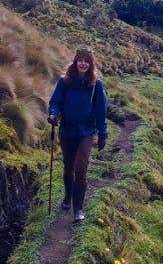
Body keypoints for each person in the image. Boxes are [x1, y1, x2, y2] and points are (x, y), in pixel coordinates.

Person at [47, 47, 108, 223]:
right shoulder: (64, 82)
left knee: (81, 168)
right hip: (66, 130)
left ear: (91, 64)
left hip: (86, 132)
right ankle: (67, 196)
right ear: (75, 62)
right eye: (80, 60)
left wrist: (102, 133)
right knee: (68, 166)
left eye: (86, 61)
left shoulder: (96, 85)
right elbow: (56, 101)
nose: (83, 63)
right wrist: (53, 114)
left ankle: (78, 209)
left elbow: (100, 110)